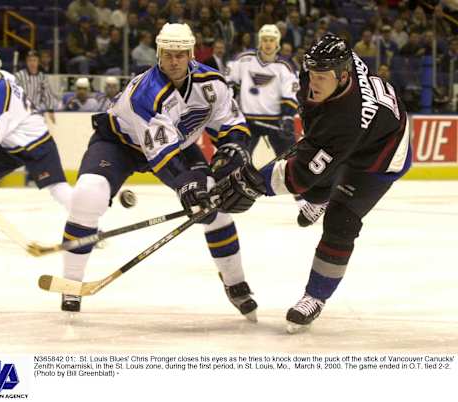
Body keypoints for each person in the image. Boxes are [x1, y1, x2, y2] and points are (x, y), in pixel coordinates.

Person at [59, 23, 258, 324]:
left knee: (216, 205)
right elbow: (162, 157)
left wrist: (232, 151)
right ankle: (71, 283)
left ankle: (235, 282)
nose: (174, 61)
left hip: (177, 146)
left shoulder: (212, 83)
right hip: (119, 144)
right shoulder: (147, 93)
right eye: (168, 54)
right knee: (88, 194)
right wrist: (186, 187)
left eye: (180, 54)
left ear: (191, 54)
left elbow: (231, 125)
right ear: (158, 53)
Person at [213, 34, 412, 332]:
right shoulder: (328, 66)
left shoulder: (347, 119)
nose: (314, 82)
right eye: (312, 73)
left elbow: (299, 174)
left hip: (380, 156)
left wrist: (252, 183)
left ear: (343, 75)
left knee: (341, 220)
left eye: (322, 77)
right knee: (321, 172)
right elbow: (315, 144)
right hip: (350, 134)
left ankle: (315, 296)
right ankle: (319, 198)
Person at [0, 50, 72, 244]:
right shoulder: (4, 76)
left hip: (36, 143)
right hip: (11, 143)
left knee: (57, 188)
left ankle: (86, 225)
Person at [226, 24, 299, 161]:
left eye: (271, 40)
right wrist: (231, 108)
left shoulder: (285, 66)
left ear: (277, 43)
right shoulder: (243, 59)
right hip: (247, 120)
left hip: (275, 121)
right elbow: (227, 84)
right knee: (236, 160)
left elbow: (290, 94)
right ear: (260, 41)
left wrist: (287, 117)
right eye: (265, 40)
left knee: (290, 159)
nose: (268, 44)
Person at [15, 50, 56, 124]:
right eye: (29, 60)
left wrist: (50, 109)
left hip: (36, 111)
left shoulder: (42, 77)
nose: (32, 63)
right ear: (26, 62)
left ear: (38, 62)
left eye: (34, 60)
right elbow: (15, 94)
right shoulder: (19, 76)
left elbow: (47, 94)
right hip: (21, 111)